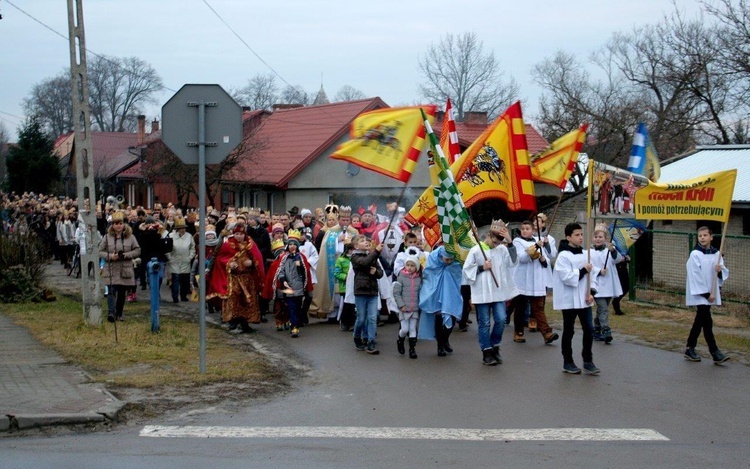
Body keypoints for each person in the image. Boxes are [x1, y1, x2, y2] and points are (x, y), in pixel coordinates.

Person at [463, 220, 519, 365]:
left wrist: (510, 241)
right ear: (488, 235)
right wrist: (482, 267)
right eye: (494, 242)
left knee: (501, 319)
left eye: (499, 243)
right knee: (485, 323)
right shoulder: (476, 250)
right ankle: (486, 351)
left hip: (497, 291)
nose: (496, 245)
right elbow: (466, 271)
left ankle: (495, 345)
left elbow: (513, 262)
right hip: (482, 292)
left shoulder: (502, 249)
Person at [553, 223, 600, 375]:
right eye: (577, 235)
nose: (580, 238)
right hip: (569, 300)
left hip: (584, 299)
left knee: (589, 329)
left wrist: (591, 291)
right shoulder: (563, 256)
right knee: (569, 330)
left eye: (581, 234)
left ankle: (588, 360)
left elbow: (591, 275)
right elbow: (567, 277)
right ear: (568, 237)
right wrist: (582, 270)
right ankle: (568, 361)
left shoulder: (586, 254)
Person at [207, 223, 265, 334]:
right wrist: (229, 263)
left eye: (241, 234)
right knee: (234, 299)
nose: (239, 236)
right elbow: (220, 259)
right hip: (234, 278)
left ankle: (245, 323)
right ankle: (233, 321)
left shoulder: (250, 244)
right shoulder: (228, 245)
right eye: (237, 234)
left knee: (247, 301)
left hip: (247, 278)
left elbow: (257, 259)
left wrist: (252, 263)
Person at [684, 226, 730, 364]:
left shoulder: (716, 253)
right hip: (700, 294)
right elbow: (695, 275)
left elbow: (722, 272)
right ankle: (715, 352)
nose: (702, 238)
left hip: (711, 292)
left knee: (700, 320)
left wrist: (719, 270)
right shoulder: (695, 254)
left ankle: (690, 348)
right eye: (700, 236)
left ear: (711, 237)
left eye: (705, 235)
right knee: (707, 321)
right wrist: (705, 294)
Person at [511, 220, 559, 345]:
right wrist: (536, 246)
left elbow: (548, 257)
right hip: (522, 279)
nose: (525, 230)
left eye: (527, 228)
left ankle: (547, 333)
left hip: (536, 279)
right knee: (520, 307)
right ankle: (518, 332)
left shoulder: (538, 240)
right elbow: (522, 257)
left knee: (538, 308)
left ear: (533, 230)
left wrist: (543, 258)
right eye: (523, 228)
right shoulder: (518, 241)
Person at [419, 245, 463, 357]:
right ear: (440, 257)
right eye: (446, 259)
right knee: (438, 319)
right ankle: (440, 345)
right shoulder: (433, 260)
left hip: (451, 293)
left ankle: (445, 340)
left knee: (452, 317)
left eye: (451, 260)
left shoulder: (455, 264)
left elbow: (458, 275)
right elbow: (428, 276)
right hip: (436, 294)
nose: (449, 262)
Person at [99, 211, 141, 322]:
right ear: (112, 225)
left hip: (125, 268)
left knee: (122, 293)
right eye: (116, 223)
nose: (119, 226)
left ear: (124, 224)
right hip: (111, 268)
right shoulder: (107, 237)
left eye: (120, 223)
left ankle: (119, 313)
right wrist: (109, 256)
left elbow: (137, 250)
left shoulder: (130, 237)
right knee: (111, 291)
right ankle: (111, 312)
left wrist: (126, 255)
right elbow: (99, 251)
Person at [275, 230, 314, 338]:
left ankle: (296, 322)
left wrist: (300, 266)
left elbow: (305, 273)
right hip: (288, 287)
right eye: (290, 244)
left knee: (297, 307)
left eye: (294, 244)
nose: (292, 246)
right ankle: (294, 327)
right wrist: (283, 280)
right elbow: (280, 271)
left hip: (299, 287)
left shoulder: (301, 257)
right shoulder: (284, 258)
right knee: (291, 307)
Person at [350, 234, 384, 354]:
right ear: (356, 245)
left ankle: (371, 342)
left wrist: (376, 272)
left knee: (372, 318)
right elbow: (364, 263)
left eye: (366, 240)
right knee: (361, 318)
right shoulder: (354, 257)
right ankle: (357, 336)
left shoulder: (372, 256)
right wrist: (376, 251)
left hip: (373, 291)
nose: (366, 242)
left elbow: (380, 273)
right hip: (361, 291)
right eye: (362, 241)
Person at [589, 224, 622, 344]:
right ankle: (606, 330)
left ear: (605, 238)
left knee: (602, 309)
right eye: (596, 237)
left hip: (608, 285)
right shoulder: (590, 252)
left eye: (600, 237)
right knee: (603, 309)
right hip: (597, 285)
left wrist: (612, 250)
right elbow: (589, 267)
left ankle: (596, 329)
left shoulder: (609, 250)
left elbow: (618, 259)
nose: (598, 239)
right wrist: (598, 271)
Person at [392, 255, 422, 359]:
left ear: (416, 267)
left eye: (412, 266)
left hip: (414, 309)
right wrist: (401, 305)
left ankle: (412, 349)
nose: (409, 268)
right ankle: (400, 340)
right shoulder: (401, 277)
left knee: (413, 329)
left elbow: (421, 292)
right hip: (404, 309)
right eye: (407, 265)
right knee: (405, 329)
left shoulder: (419, 279)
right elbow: (396, 292)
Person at [167, 217, 196, 303]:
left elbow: (192, 248)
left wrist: (190, 257)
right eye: (181, 228)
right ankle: (175, 297)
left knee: (185, 281)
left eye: (184, 228)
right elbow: (167, 249)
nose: (182, 230)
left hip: (185, 260)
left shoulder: (189, 236)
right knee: (175, 280)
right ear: (177, 229)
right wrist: (170, 258)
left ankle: (183, 296)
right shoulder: (171, 236)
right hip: (174, 260)